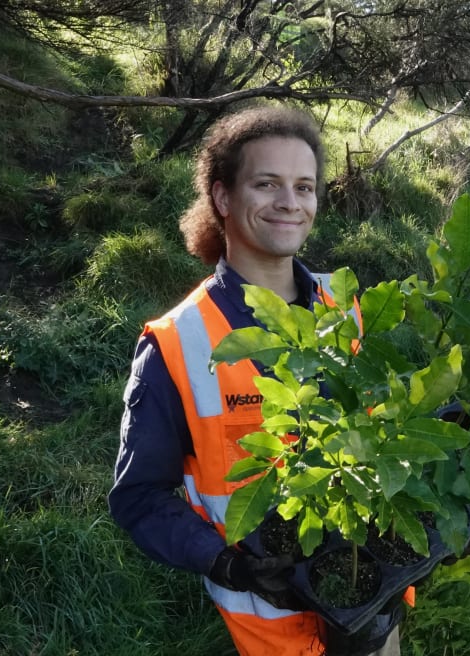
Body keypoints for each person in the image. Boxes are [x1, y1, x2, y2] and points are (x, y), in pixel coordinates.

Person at [108, 104, 401, 656]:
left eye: (305, 186)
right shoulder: (180, 342)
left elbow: (384, 427)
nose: (291, 202)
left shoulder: (346, 305)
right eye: (267, 184)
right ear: (222, 197)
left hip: (370, 601)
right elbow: (138, 496)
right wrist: (226, 564)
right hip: (273, 629)